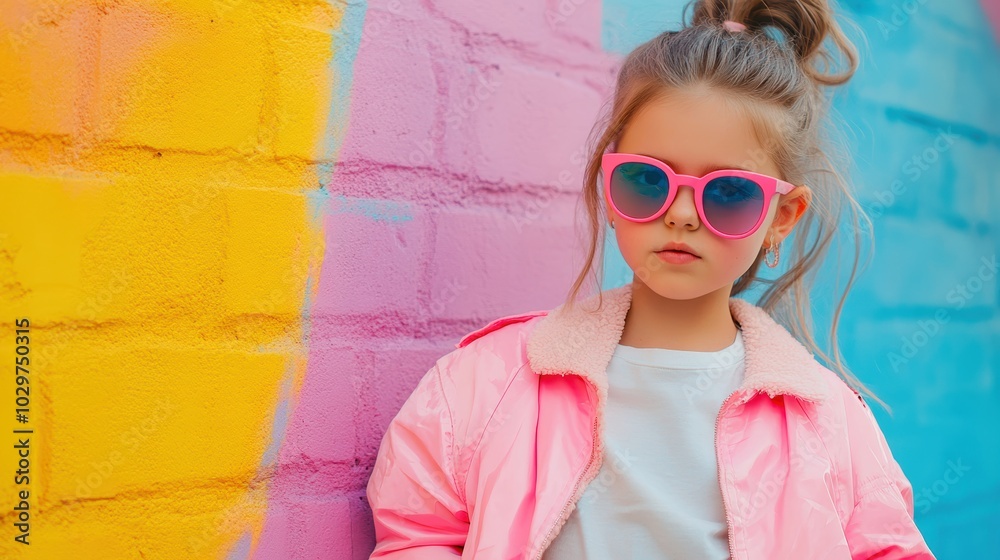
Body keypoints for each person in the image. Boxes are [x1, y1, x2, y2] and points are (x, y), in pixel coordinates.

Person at [365, 0, 937, 558]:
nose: (682, 214)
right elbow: (418, 532)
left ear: (779, 218)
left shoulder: (828, 419)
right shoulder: (483, 385)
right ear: (609, 190)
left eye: (729, 192)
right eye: (646, 181)